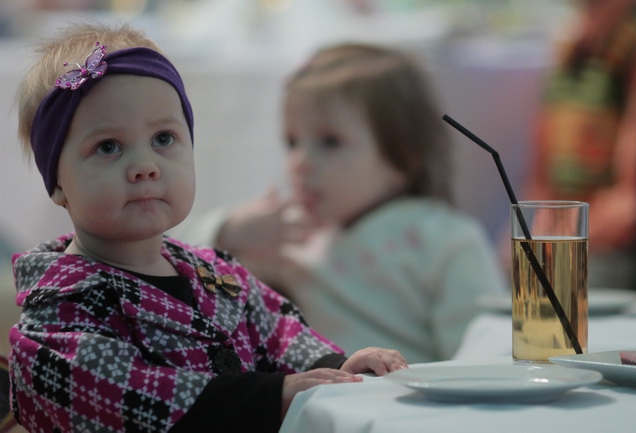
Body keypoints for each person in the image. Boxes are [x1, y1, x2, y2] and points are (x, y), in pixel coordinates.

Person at [8, 22, 408, 433]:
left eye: (164, 138)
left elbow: (278, 330)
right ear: (58, 182)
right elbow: (126, 394)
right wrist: (273, 396)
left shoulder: (214, 272)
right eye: (108, 146)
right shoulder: (59, 311)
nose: (145, 166)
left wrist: (336, 368)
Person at [178, 43, 506, 364]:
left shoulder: (447, 238)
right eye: (292, 142)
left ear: (406, 156)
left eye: (329, 142)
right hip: (322, 395)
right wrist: (228, 231)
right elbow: (164, 259)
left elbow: (484, 350)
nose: (300, 162)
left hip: (413, 398)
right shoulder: (288, 236)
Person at [516, 0, 636, 291]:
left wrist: (565, 235)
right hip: (563, 227)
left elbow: (627, 205)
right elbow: (540, 168)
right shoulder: (569, 42)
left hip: (608, 245)